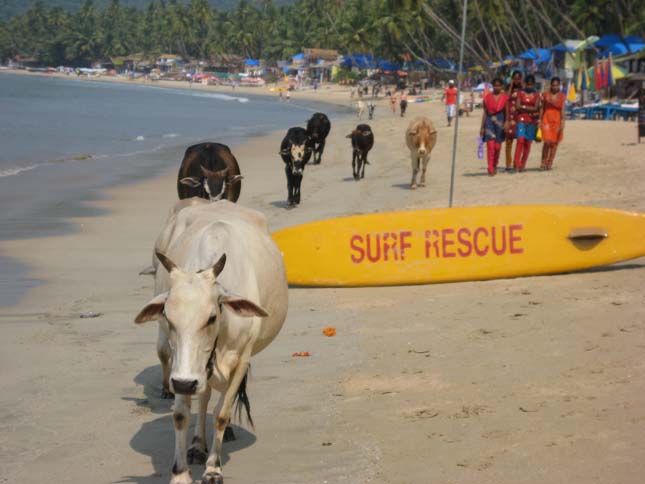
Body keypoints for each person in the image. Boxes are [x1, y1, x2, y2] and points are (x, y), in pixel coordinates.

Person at [479, 78, 509, 176]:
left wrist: (506, 122)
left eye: (499, 85)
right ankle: (490, 168)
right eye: (495, 85)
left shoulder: (505, 98)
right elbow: (485, 112)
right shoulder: (487, 98)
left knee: (497, 147)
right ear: (493, 86)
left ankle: (495, 164)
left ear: (502, 86)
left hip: (500, 121)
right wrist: (482, 127)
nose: (497, 87)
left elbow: (506, 112)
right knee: (490, 145)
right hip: (489, 122)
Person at [513, 74, 541, 172]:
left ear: (533, 84)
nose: (529, 87)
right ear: (525, 84)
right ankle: (516, 164)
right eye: (528, 84)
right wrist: (529, 109)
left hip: (532, 121)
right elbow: (517, 106)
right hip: (521, 119)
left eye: (531, 85)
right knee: (520, 140)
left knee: (528, 143)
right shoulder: (521, 93)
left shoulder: (537, 94)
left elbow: (536, 108)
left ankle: (522, 164)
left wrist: (524, 107)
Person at [539, 77, 566, 170]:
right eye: (553, 85)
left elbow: (562, 109)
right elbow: (542, 108)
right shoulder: (545, 94)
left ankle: (550, 162)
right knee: (547, 141)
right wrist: (540, 119)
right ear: (551, 85)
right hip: (546, 118)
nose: (555, 87)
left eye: (557, 85)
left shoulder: (562, 96)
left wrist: (563, 121)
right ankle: (543, 162)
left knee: (554, 142)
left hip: (557, 119)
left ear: (559, 85)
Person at [504, 71, 523, 172]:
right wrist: (511, 86)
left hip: (519, 116)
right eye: (514, 79)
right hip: (510, 115)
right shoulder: (508, 88)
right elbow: (506, 98)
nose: (516, 80)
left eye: (518, 78)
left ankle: (517, 162)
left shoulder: (523, 88)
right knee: (509, 140)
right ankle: (508, 163)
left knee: (520, 140)